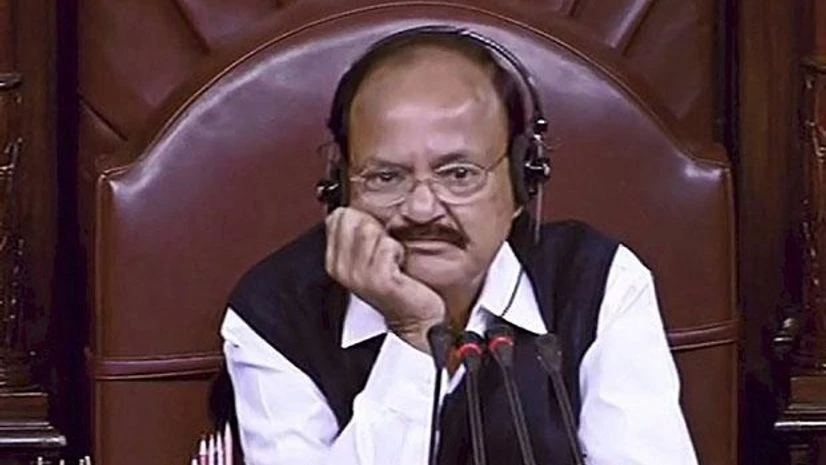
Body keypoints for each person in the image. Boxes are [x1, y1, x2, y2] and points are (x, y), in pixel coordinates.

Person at [220, 26, 698, 465]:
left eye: (459, 175)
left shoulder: (599, 284)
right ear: (342, 191)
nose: (423, 208)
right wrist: (413, 335)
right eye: (386, 177)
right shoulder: (274, 314)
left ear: (520, 183)